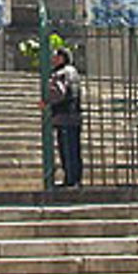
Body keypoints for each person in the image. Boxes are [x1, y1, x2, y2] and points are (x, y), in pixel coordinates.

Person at [44, 48, 83, 187]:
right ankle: (75, 179)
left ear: (62, 58)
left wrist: (47, 101)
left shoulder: (61, 73)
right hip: (74, 116)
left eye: (55, 57)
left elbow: (59, 92)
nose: (52, 60)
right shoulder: (73, 72)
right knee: (74, 149)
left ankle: (70, 180)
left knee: (67, 150)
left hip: (64, 116)